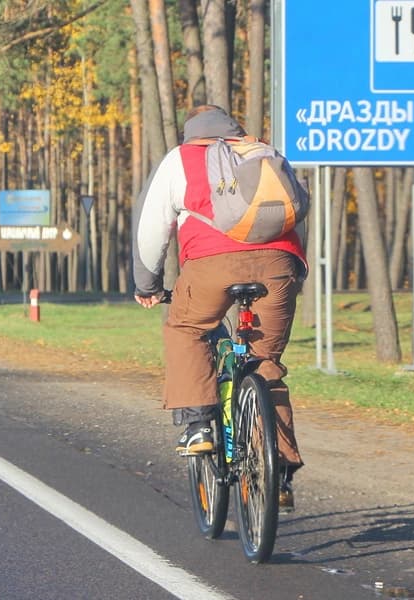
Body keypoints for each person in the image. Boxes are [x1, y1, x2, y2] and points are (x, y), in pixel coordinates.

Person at [132, 104, 307, 511]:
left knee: (187, 329)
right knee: (266, 363)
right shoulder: (265, 152)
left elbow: (152, 228)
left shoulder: (181, 159)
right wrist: (294, 269)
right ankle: (278, 469)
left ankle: (198, 425)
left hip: (210, 266)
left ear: (190, 132)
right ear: (234, 127)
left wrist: (148, 284)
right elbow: (297, 214)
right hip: (279, 264)